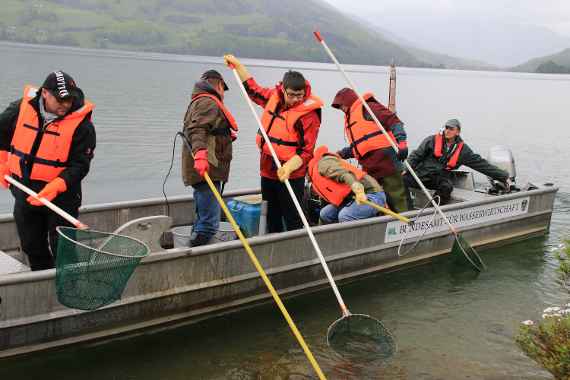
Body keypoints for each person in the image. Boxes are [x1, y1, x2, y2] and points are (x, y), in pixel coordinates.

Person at [0, 71, 96, 271]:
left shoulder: (82, 126)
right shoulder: (20, 109)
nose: (65, 105)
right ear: (45, 93)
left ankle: (68, 288)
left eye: (69, 99)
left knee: (63, 248)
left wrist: (57, 185)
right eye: (60, 99)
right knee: (31, 245)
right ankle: (43, 278)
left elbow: (80, 164)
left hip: (62, 197)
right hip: (25, 192)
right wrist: (2, 162)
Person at [223, 54, 323, 233]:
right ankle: (274, 243)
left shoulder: (309, 115)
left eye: (299, 96)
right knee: (271, 213)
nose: (295, 100)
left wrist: (290, 167)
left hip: (291, 174)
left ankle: (294, 245)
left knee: (292, 215)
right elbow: (252, 90)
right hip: (268, 168)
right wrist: (239, 67)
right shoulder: (273, 98)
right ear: (283, 90)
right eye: (291, 95)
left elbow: (307, 151)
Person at [182, 69, 237, 246]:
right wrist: (200, 155)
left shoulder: (201, 100)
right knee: (209, 224)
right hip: (207, 169)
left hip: (207, 169)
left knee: (202, 217)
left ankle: (191, 249)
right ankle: (194, 256)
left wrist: (224, 136)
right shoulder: (208, 102)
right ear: (219, 85)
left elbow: (206, 129)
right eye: (223, 90)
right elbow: (197, 129)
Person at [332, 88, 409, 213]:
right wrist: (340, 154)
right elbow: (360, 146)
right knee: (376, 199)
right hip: (370, 167)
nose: (342, 109)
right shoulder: (352, 118)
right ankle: (381, 225)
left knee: (396, 198)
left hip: (387, 163)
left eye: (342, 105)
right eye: (340, 107)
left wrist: (402, 142)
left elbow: (393, 121)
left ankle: (405, 226)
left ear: (349, 101)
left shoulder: (369, 108)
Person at [403, 118, 510, 205]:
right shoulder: (431, 140)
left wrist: (503, 176)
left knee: (446, 188)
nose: (447, 131)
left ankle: (431, 211)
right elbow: (416, 155)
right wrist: (405, 169)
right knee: (402, 180)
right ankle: (407, 210)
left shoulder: (463, 151)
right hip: (421, 174)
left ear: (457, 132)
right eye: (446, 128)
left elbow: (481, 164)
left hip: (438, 178)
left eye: (451, 129)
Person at [308, 145, 387, 224]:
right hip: (351, 200)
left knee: (345, 215)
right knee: (325, 214)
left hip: (371, 193)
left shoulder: (322, 164)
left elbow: (345, 175)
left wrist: (359, 191)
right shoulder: (313, 179)